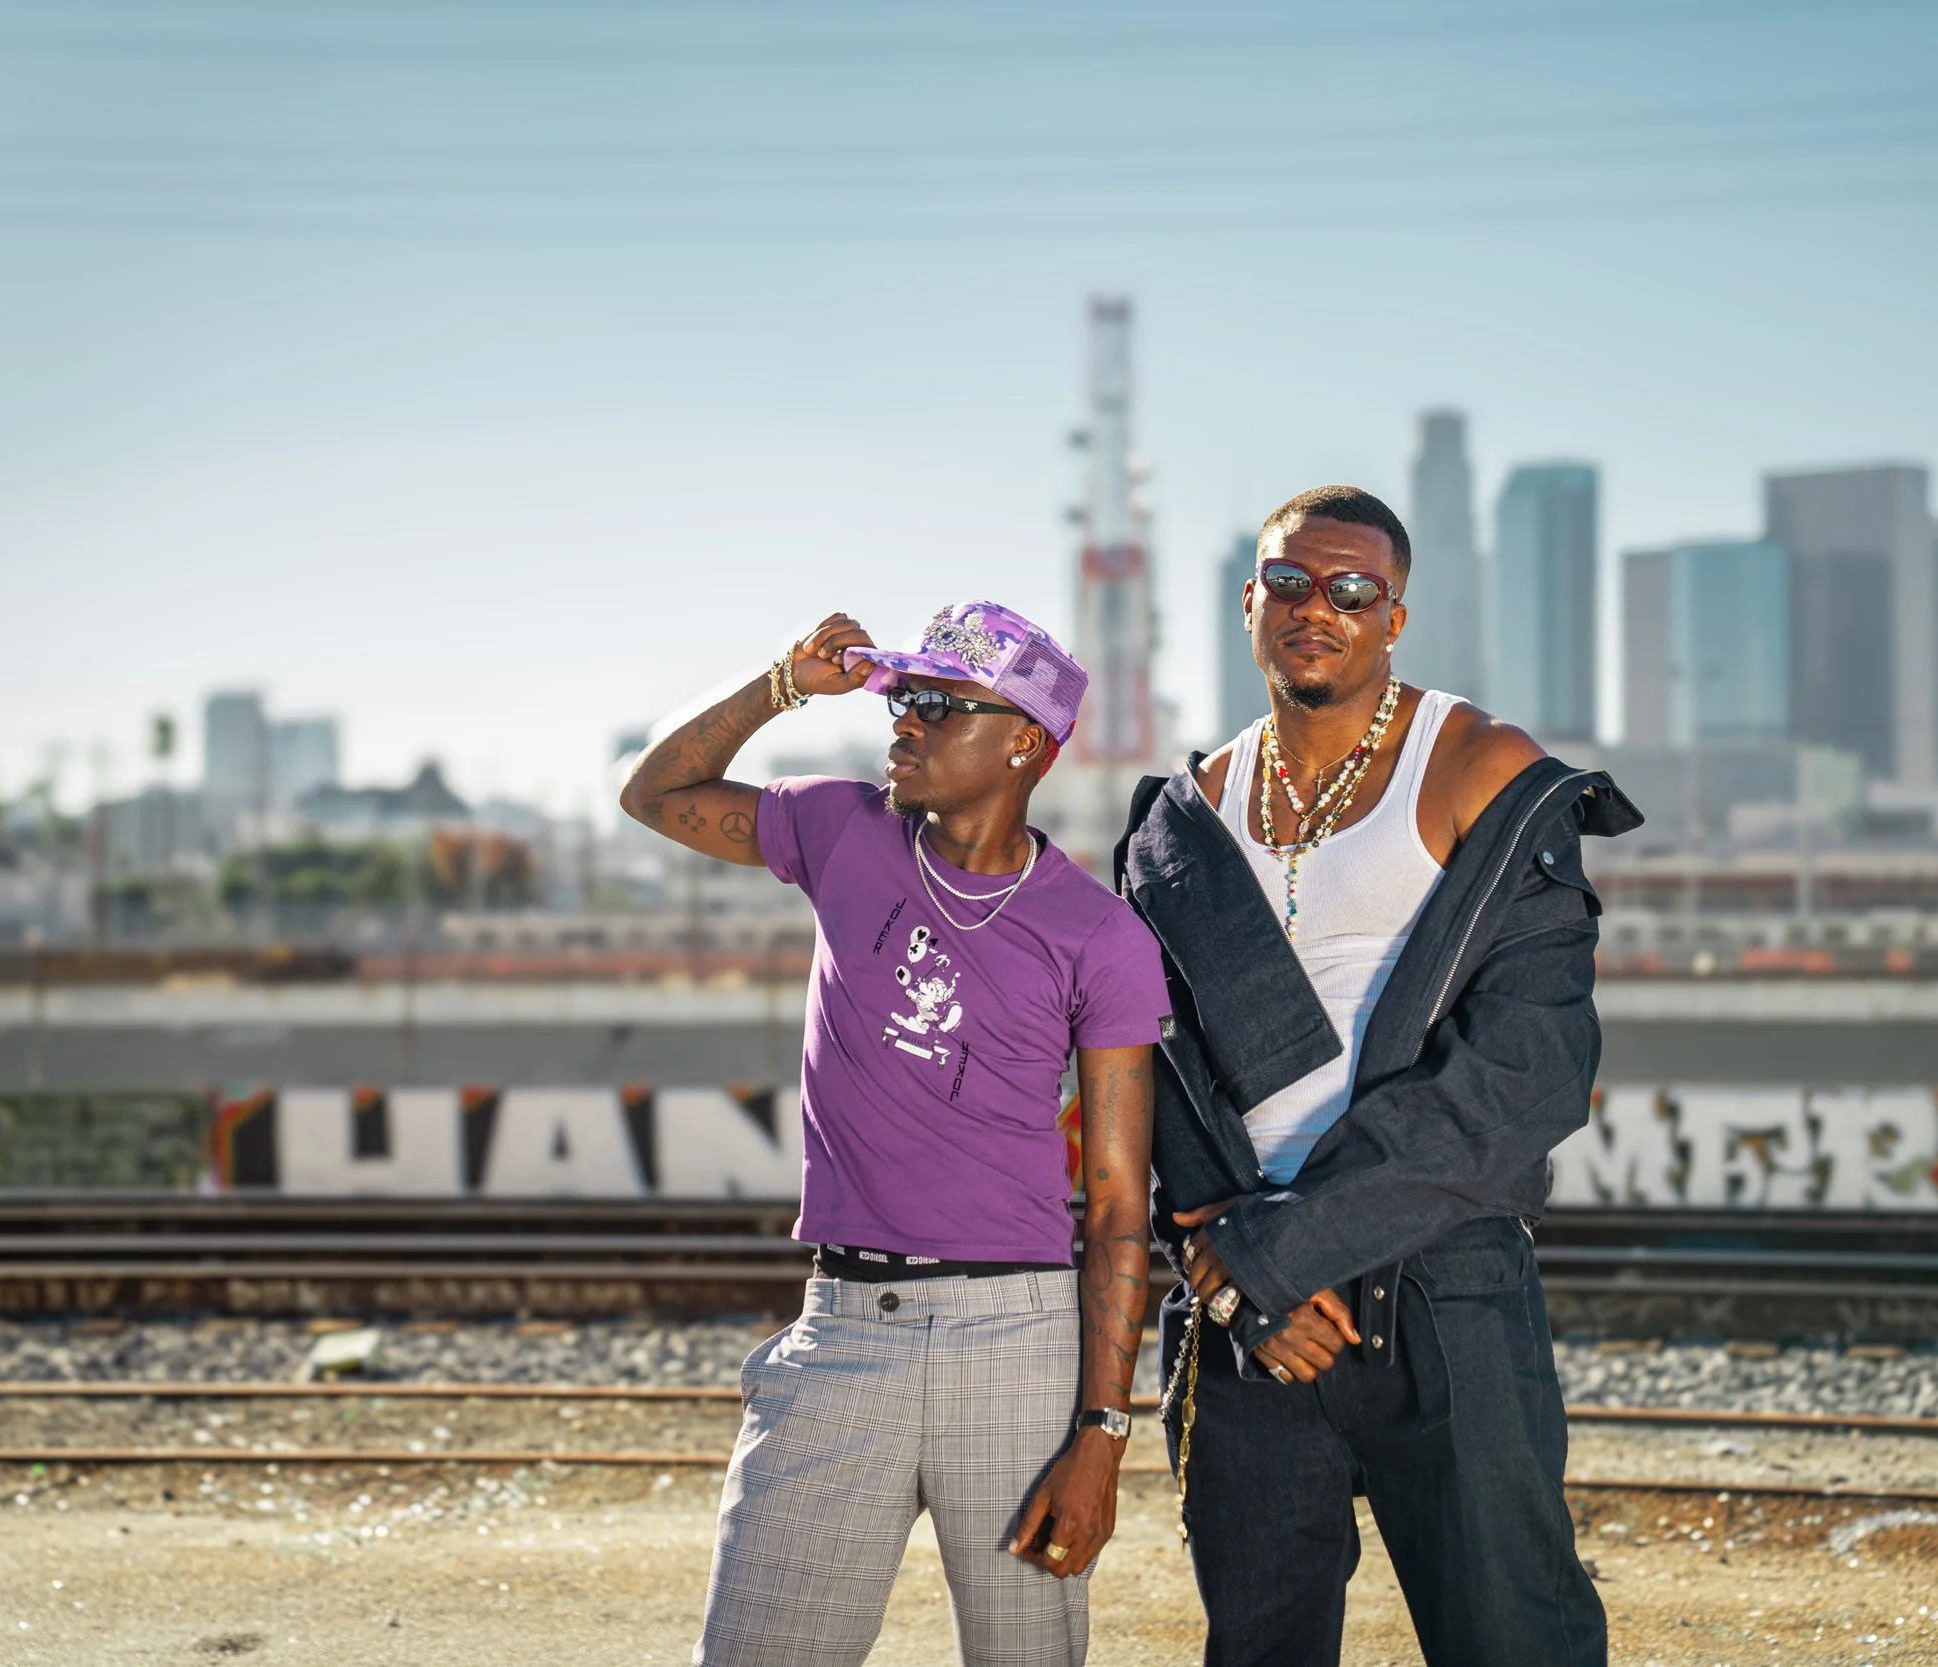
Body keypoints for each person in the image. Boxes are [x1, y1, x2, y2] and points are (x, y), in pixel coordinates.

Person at [1117, 486, 1640, 1667]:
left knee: (1516, 1637)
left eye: (1353, 590)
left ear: (1393, 615)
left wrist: (1277, 1252)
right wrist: (1229, 1260)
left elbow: (1528, 1072)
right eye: (1291, 582)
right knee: (1258, 1646)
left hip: (1440, 1282)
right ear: (1249, 599)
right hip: (1248, 1310)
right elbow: (1160, 1067)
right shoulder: (1182, 817)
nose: (1320, 609)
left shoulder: (1479, 767)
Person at [622, 601, 1169, 1667]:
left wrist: (1101, 1433)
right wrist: (784, 682)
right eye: (901, 698)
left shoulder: (1097, 934)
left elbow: (1115, 1207)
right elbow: (655, 795)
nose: (902, 722)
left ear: (1024, 739)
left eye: (936, 703)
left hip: (1017, 1339)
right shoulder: (840, 830)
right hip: (842, 1329)